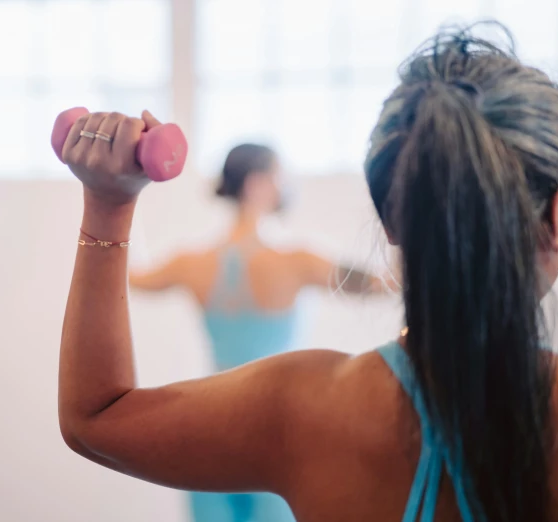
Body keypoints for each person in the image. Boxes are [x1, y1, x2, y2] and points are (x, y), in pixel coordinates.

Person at [57, 24, 558, 522]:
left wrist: (110, 202)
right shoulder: (300, 262)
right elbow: (376, 283)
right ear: (554, 214)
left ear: (391, 219)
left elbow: (97, 416)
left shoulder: (298, 410)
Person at [128, 144, 388, 522]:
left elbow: (133, 276)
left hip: (207, 426)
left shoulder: (190, 262)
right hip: (277, 431)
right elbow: (385, 284)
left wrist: (123, 194)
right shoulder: (296, 261)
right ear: (258, 184)